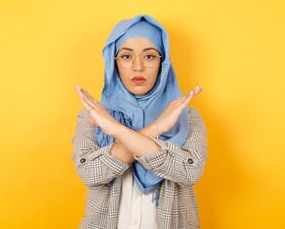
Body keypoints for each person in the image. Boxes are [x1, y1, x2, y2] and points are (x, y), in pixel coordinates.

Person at [72, 14, 207, 229]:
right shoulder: (94, 115)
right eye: (126, 56)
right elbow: (90, 173)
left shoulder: (186, 115)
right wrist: (156, 128)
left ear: (163, 63)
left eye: (149, 56)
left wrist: (115, 131)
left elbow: (190, 173)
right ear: (113, 62)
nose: (138, 67)